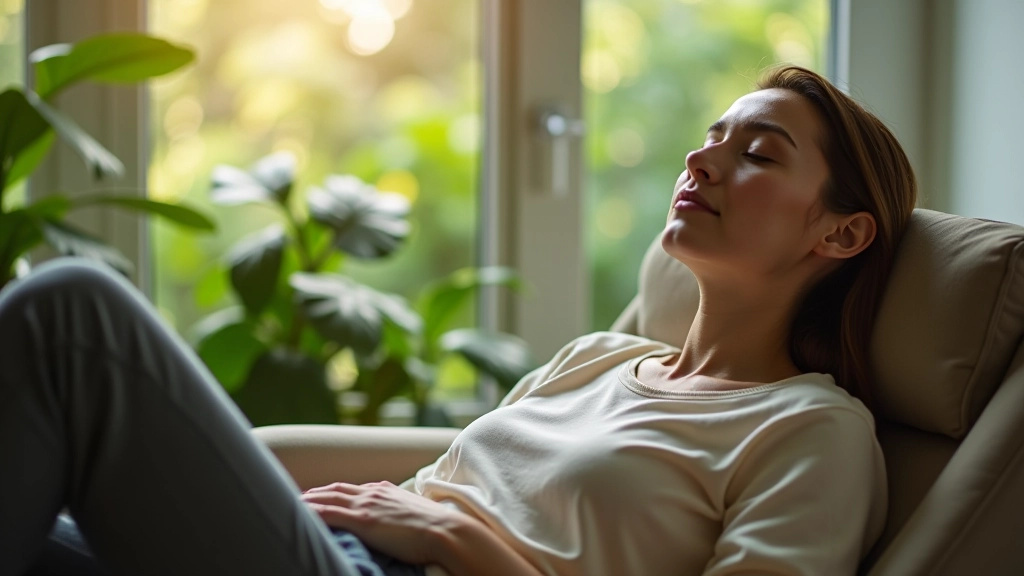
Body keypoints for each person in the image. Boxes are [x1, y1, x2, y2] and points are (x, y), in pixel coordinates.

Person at [2, 64, 915, 576]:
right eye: (712, 136)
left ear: (841, 232)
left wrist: (466, 544)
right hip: (336, 551)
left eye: (757, 152)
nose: (704, 159)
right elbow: (435, 477)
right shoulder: (598, 360)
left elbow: (449, 520)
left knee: (74, 315)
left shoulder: (812, 431)